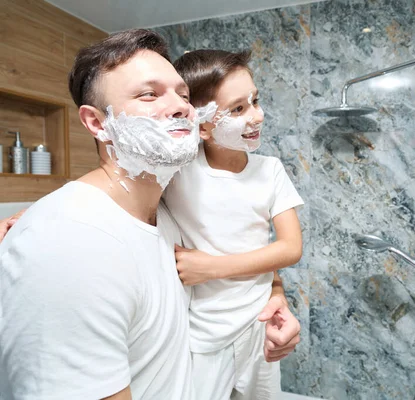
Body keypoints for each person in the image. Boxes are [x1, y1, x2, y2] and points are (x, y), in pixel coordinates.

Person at [0, 29, 299, 400]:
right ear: (97, 123)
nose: (181, 107)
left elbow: (239, 239)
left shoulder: (166, 213)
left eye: (184, 95)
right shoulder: (64, 244)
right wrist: (45, 221)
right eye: (148, 93)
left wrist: (275, 292)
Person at [163, 49, 304, 399]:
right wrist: (43, 212)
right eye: (238, 109)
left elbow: (290, 247)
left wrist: (213, 268)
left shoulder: (269, 170)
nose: (256, 116)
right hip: (206, 332)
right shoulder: (179, 171)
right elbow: (116, 188)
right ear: (204, 126)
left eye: (255, 100)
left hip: (260, 324)